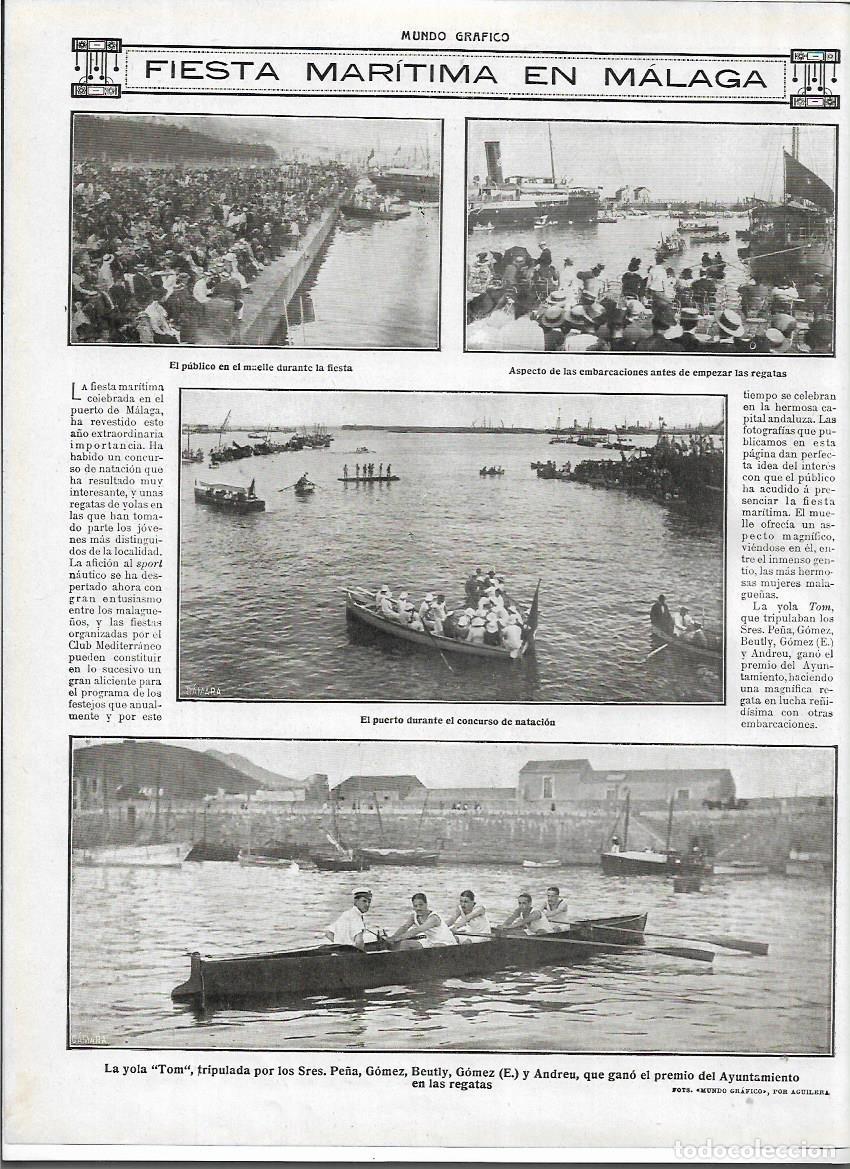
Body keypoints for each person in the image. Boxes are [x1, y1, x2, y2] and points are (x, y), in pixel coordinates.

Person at [389, 893, 457, 949]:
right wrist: (392, 938)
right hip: (430, 942)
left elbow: (418, 930)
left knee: (435, 946)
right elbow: (404, 927)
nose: (418, 908)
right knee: (404, 944)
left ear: (426, 904)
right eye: (415, 906)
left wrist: (399, 938)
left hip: (447, 943)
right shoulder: (414, 916)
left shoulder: (433, 918)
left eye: (421, 905)